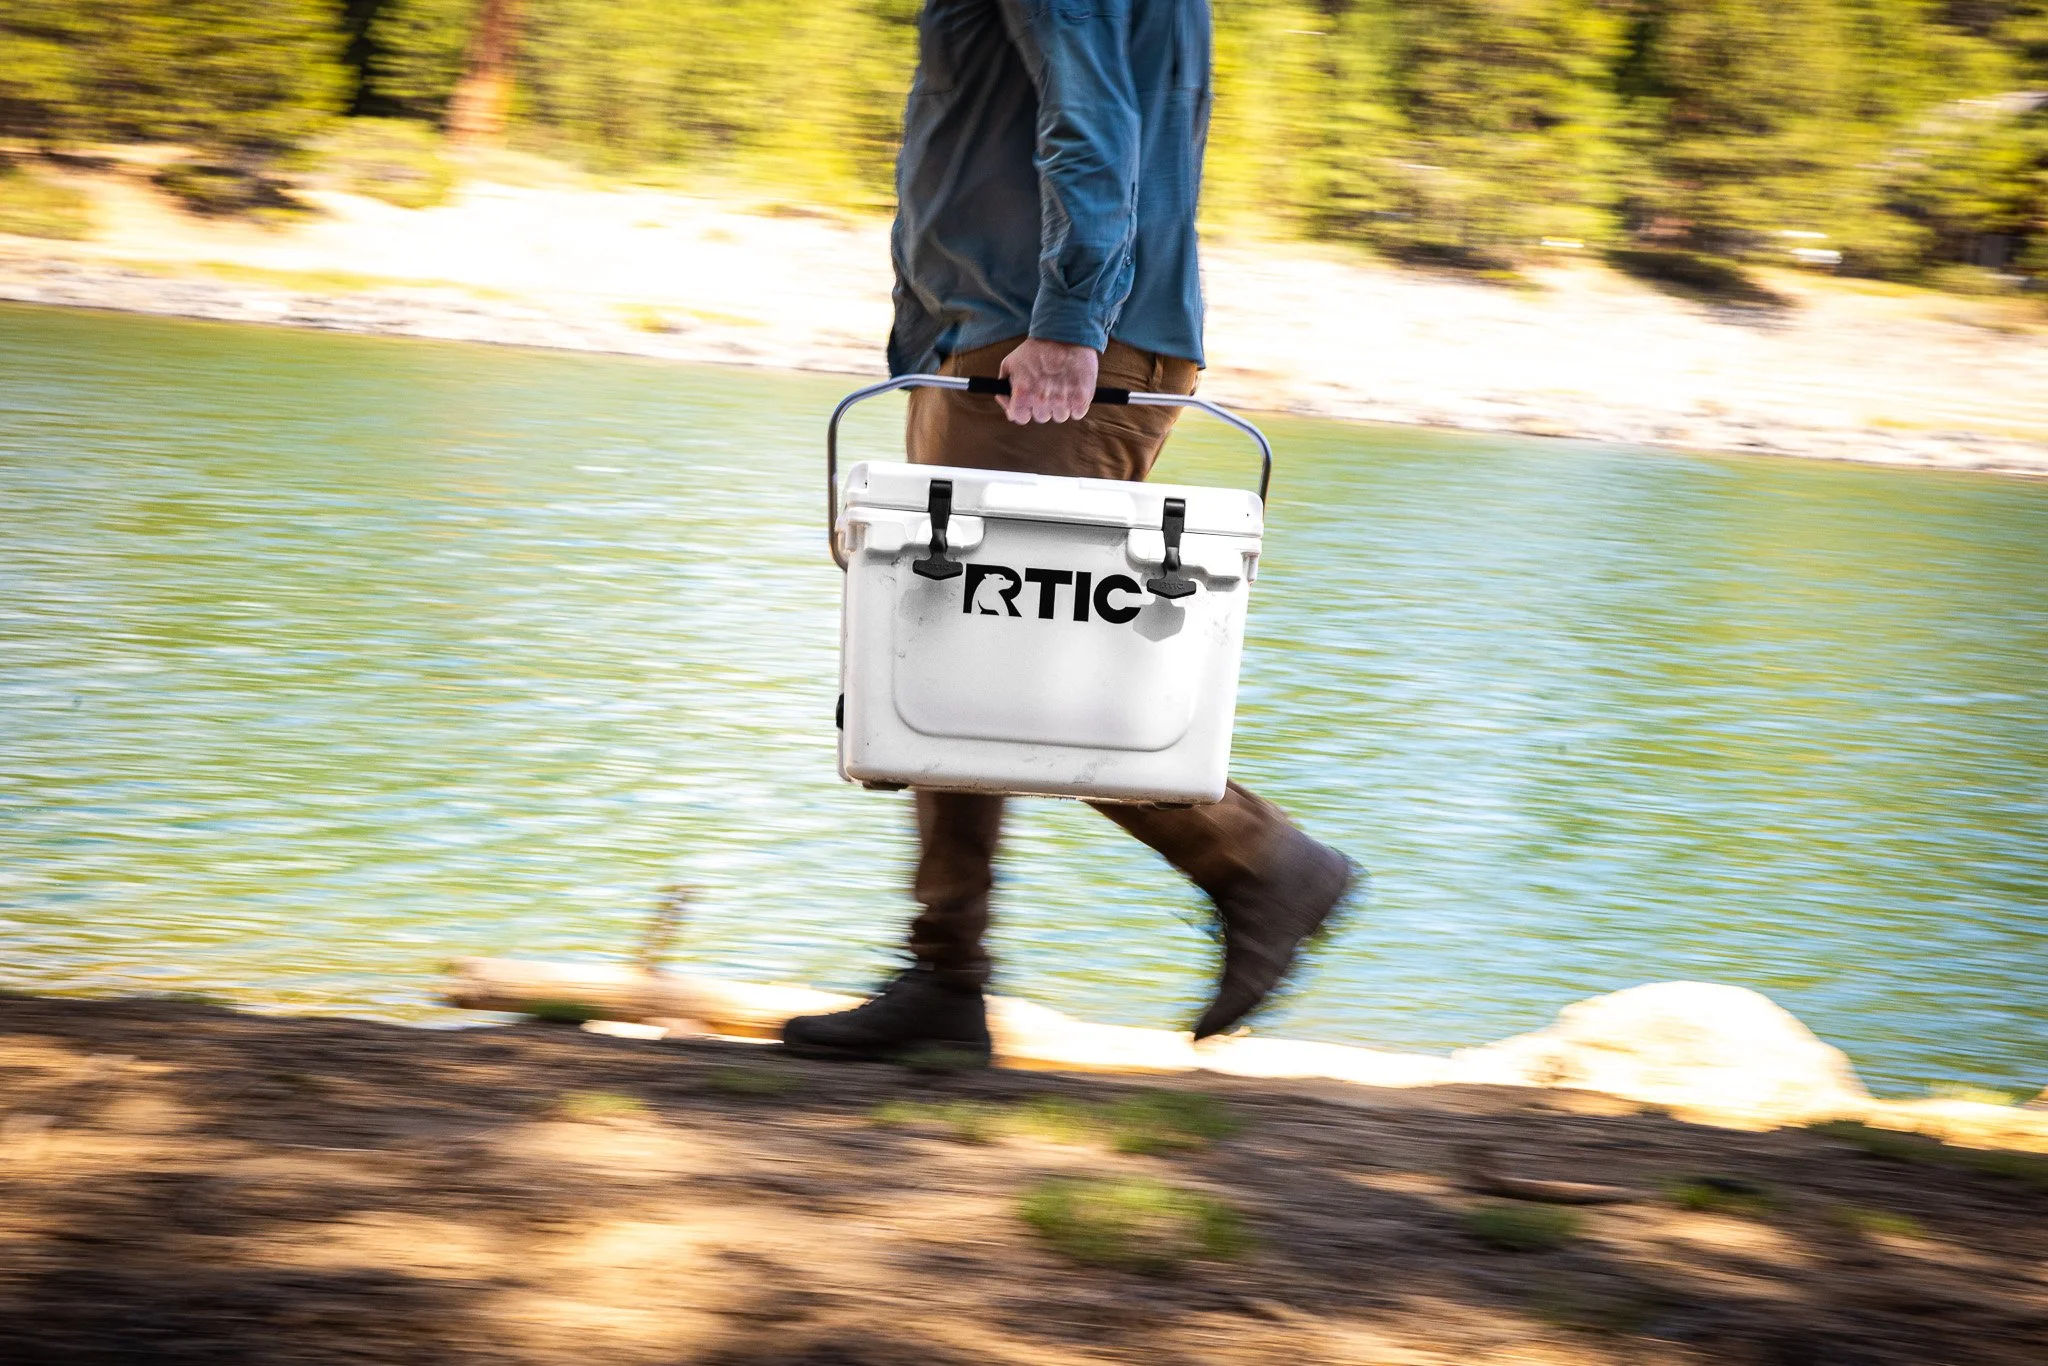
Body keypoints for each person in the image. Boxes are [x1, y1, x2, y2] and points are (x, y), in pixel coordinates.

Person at [781, 0, 1356, 1064]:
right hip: (990, 334)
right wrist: (927, 335)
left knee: (1006, 671)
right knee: (945, 653)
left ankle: (1261, 859)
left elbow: (1090, 119)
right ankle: (944, 977)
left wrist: (1067, 318)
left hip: (1041, 345)